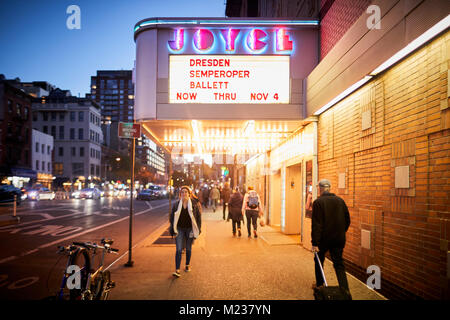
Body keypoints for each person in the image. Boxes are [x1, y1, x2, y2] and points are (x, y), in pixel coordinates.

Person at [311, 179, 351, 297]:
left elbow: (317, 225)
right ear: (330, 188)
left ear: (320, 189)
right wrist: (340, 233)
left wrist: (315, 243)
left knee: (319, 261)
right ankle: (345, 289)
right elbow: (347, 220)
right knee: (339, 263)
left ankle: (320, 285)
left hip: (323, 240)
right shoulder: (340, 201)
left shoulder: (318, 202)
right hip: (338, 239)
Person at [169, 186, 202, 278]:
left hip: (190, 229)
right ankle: (177, 270)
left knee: (188, 248)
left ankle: (187, 265)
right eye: (182, 192)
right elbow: (171, 217)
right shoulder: (176, 204)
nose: (184, 194)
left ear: (189, 194)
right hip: (179, 229)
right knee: (179, 249)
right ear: (180, 194)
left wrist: (198, 229)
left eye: (186, 192)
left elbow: (199, 218)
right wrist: (172, 228)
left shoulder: (194, 205)